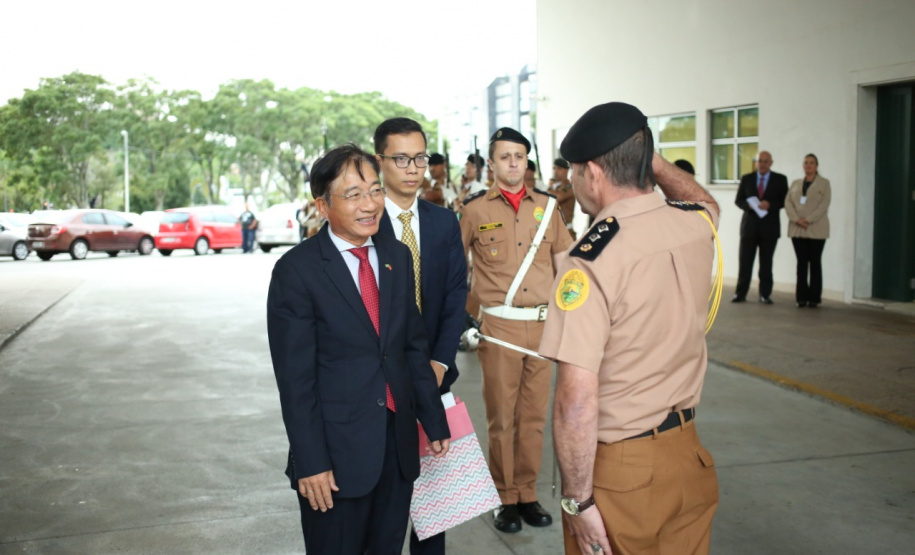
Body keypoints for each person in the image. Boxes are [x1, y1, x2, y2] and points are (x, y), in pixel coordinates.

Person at [539, 101, 720, 555]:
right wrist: (645, 156)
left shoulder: (589, 262)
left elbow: (575, 403)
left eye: (575, 171)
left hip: (623, 475)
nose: (571, 181)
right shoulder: (693, 227)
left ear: (593, 173)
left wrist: (578, 503)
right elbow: (707, 201)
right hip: (689, 457)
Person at [266, 144, 450, 554]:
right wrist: (310, 461)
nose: (370, 205)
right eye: (353, 195)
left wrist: (434, 421)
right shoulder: (297, 271)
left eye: (374, 190)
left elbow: (411, 347)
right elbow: (295, 382)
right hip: (334, 454)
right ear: (322, 205)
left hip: (397, 446)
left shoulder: (396, 258)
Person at [459, 127, 573, 534]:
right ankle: (504, 497)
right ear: (491, 163)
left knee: (533, 419)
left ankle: (527, 493)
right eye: (504, 156)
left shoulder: (548, 206)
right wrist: (460, 318)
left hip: (543, 328)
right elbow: (457, 270)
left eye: (519, 157)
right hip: (500, 328)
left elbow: (566, 267)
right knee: (501, 419)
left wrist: (571, 320)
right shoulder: (474, 210)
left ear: (527, 162)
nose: (512, 163)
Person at [372, 118, 469, 555]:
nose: (413, 168)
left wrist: (440, 362)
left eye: (420, 158)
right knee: (387, 507)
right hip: (382, 384)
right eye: (401, 158)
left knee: (435, 512)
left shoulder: (443, 222)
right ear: (380, 162)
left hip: (435, 375)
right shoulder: (366, 224)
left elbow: (455, 297)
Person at [732, 150, 788, 304]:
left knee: (766, 263)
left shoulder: (780, 179)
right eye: (760, 161)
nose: (762, 164)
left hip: (769, 228)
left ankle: (765, 294)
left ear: (771, 163)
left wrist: (770, 205)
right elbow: (738, 200)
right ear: (755, 163)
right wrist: (750, 206)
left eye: (765, 161)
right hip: (749, 227)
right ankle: (740, 293)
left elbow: (785, 201)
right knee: (745, 262)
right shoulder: (747, 178)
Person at [785, 153, 831, 308]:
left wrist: (808, 219)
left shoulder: (824, 184)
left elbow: (824, 206)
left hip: (816, 229)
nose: (808, 165)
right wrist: (797, 219)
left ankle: (814, 298)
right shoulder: (795, 183)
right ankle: (801, 298)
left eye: (812, 163)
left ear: (816, 166)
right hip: (797, 229)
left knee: (815, 263)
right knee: (801, 263)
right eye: (806, 162)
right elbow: (788, 203)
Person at [549, 158, 576, 228]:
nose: (556, 171)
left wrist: (550, 188)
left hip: (566, 228)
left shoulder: (570, 187)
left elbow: (557, 198)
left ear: (566, 170)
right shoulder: (555, 186)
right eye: (554, 168)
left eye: (559, 169)